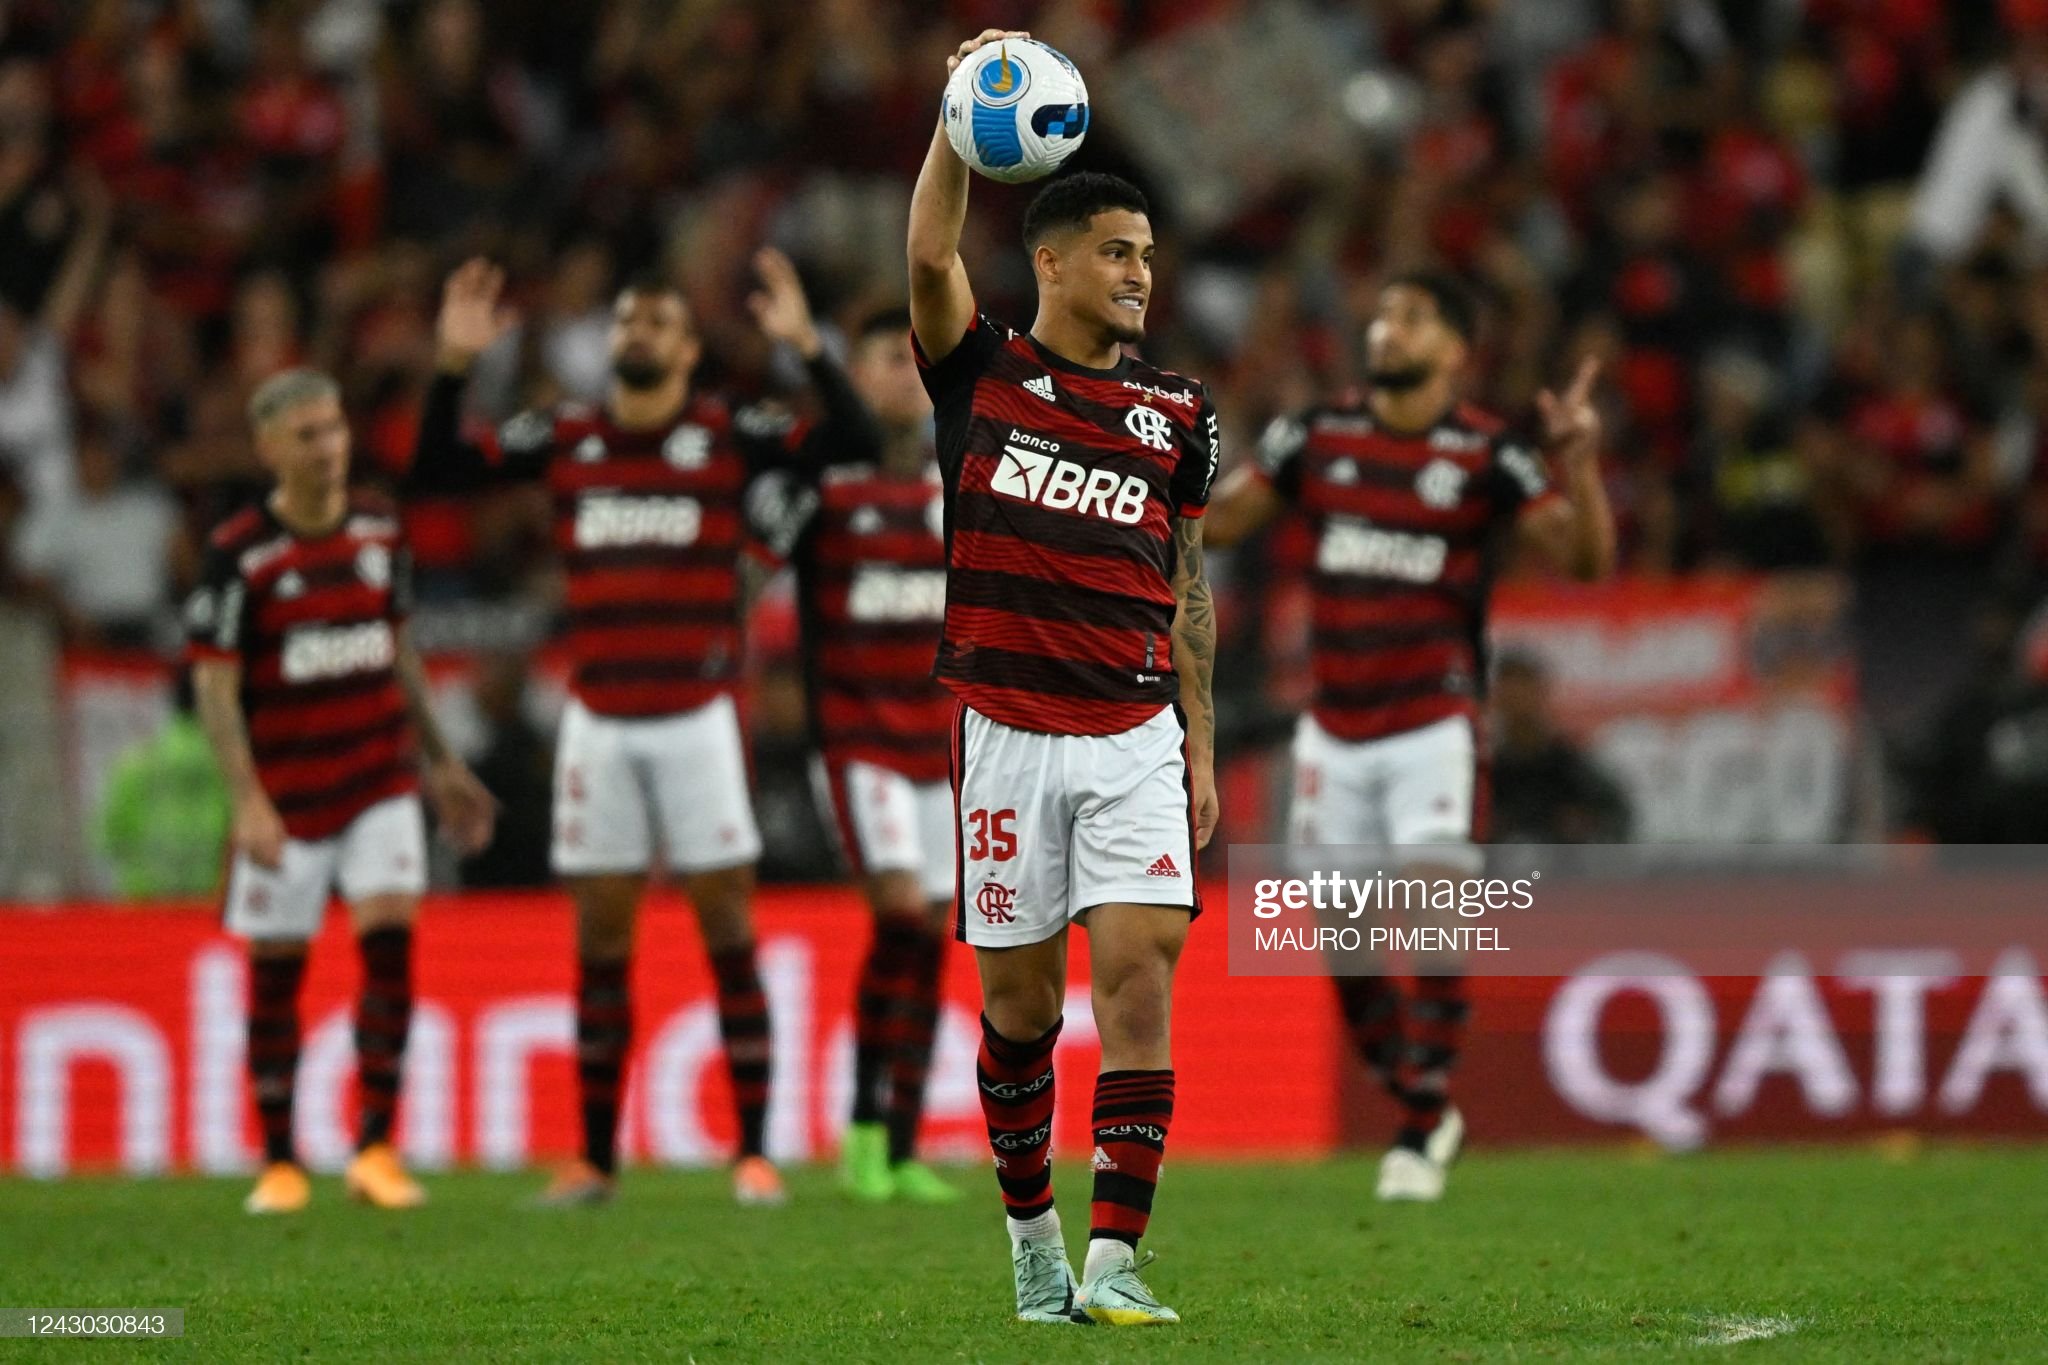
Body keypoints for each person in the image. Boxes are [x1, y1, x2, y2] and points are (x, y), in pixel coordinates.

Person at [414, 250, 880, 1207]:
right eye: (628, 318)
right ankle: (594, 1159)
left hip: (696, 717)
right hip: (600, 720)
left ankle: (754, 1152)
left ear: (689, 349)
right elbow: (437, 469)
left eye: (658, 321)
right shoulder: (569, 433)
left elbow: (855, 440)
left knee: (727, 928)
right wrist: (453, 367)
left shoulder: (725, 430)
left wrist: (808, 349)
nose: (637, 332)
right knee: (600, 938)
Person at [907, 30, 1222, 1327]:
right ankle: (1032, 1239)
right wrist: (953, 119)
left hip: (1134, 728)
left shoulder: (1180, 415)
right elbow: (928, 259)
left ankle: (1117, 1261)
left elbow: (1186, 585)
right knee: (1022, 1009)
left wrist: (1201, 741)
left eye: (1147, 255)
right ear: (1049, 262)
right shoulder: (980, 373)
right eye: (1115, 253)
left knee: (1140, 974)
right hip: (1006, 730)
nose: (1140, 274)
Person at [1206, 270, 1614, 1201]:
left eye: (1414, 318)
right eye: (1384, 314)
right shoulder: (1316, 435)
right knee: (1345, 940)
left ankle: (1420, 1123)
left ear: (1456, 349)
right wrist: (1154, 477)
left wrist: (1582, 468)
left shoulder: (1487, 452)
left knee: (1433, 903)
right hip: (1335, 727)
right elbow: (1221, 520)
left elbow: (1585, 560)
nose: (1388, 330)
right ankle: (1423, 1097)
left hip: (1434, 718)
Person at [186, 368, 495, 1215]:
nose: (329, 447)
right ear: (269, 448)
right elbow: (215, 685)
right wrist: (247, 800)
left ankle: (375, 1148)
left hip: (377, 775)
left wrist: (440, 760)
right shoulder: (239, 552)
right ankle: (281, 1161)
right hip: (288, 792)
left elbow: (399, 650)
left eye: (335, 429)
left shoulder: (378, 530)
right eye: (308, 435)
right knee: (276, 974)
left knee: (390, 943)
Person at [747, 308, 959, 1206]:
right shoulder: (821, 486)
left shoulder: (964, 480)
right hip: (857, 742)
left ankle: (899, 1144)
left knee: (933, 938)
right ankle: (865, 1124)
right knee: (901, 915)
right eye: (883, 360)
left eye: (913, 360)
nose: (902, 376)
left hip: (943, 746)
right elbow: (744, 574)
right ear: (856, 378)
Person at [97, 669, 232, 899]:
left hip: (145, 903)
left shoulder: (135, 765)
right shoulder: (235, 770)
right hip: (213, 903)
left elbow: (108, 837)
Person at [1488, 652, 1630, 844]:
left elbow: (1618, 819)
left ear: (1541, 692)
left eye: (1523, 685)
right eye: (1508, 687)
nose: (1517, 696)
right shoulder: (1488, 768)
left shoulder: (1573, 765)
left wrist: (1587, 831)